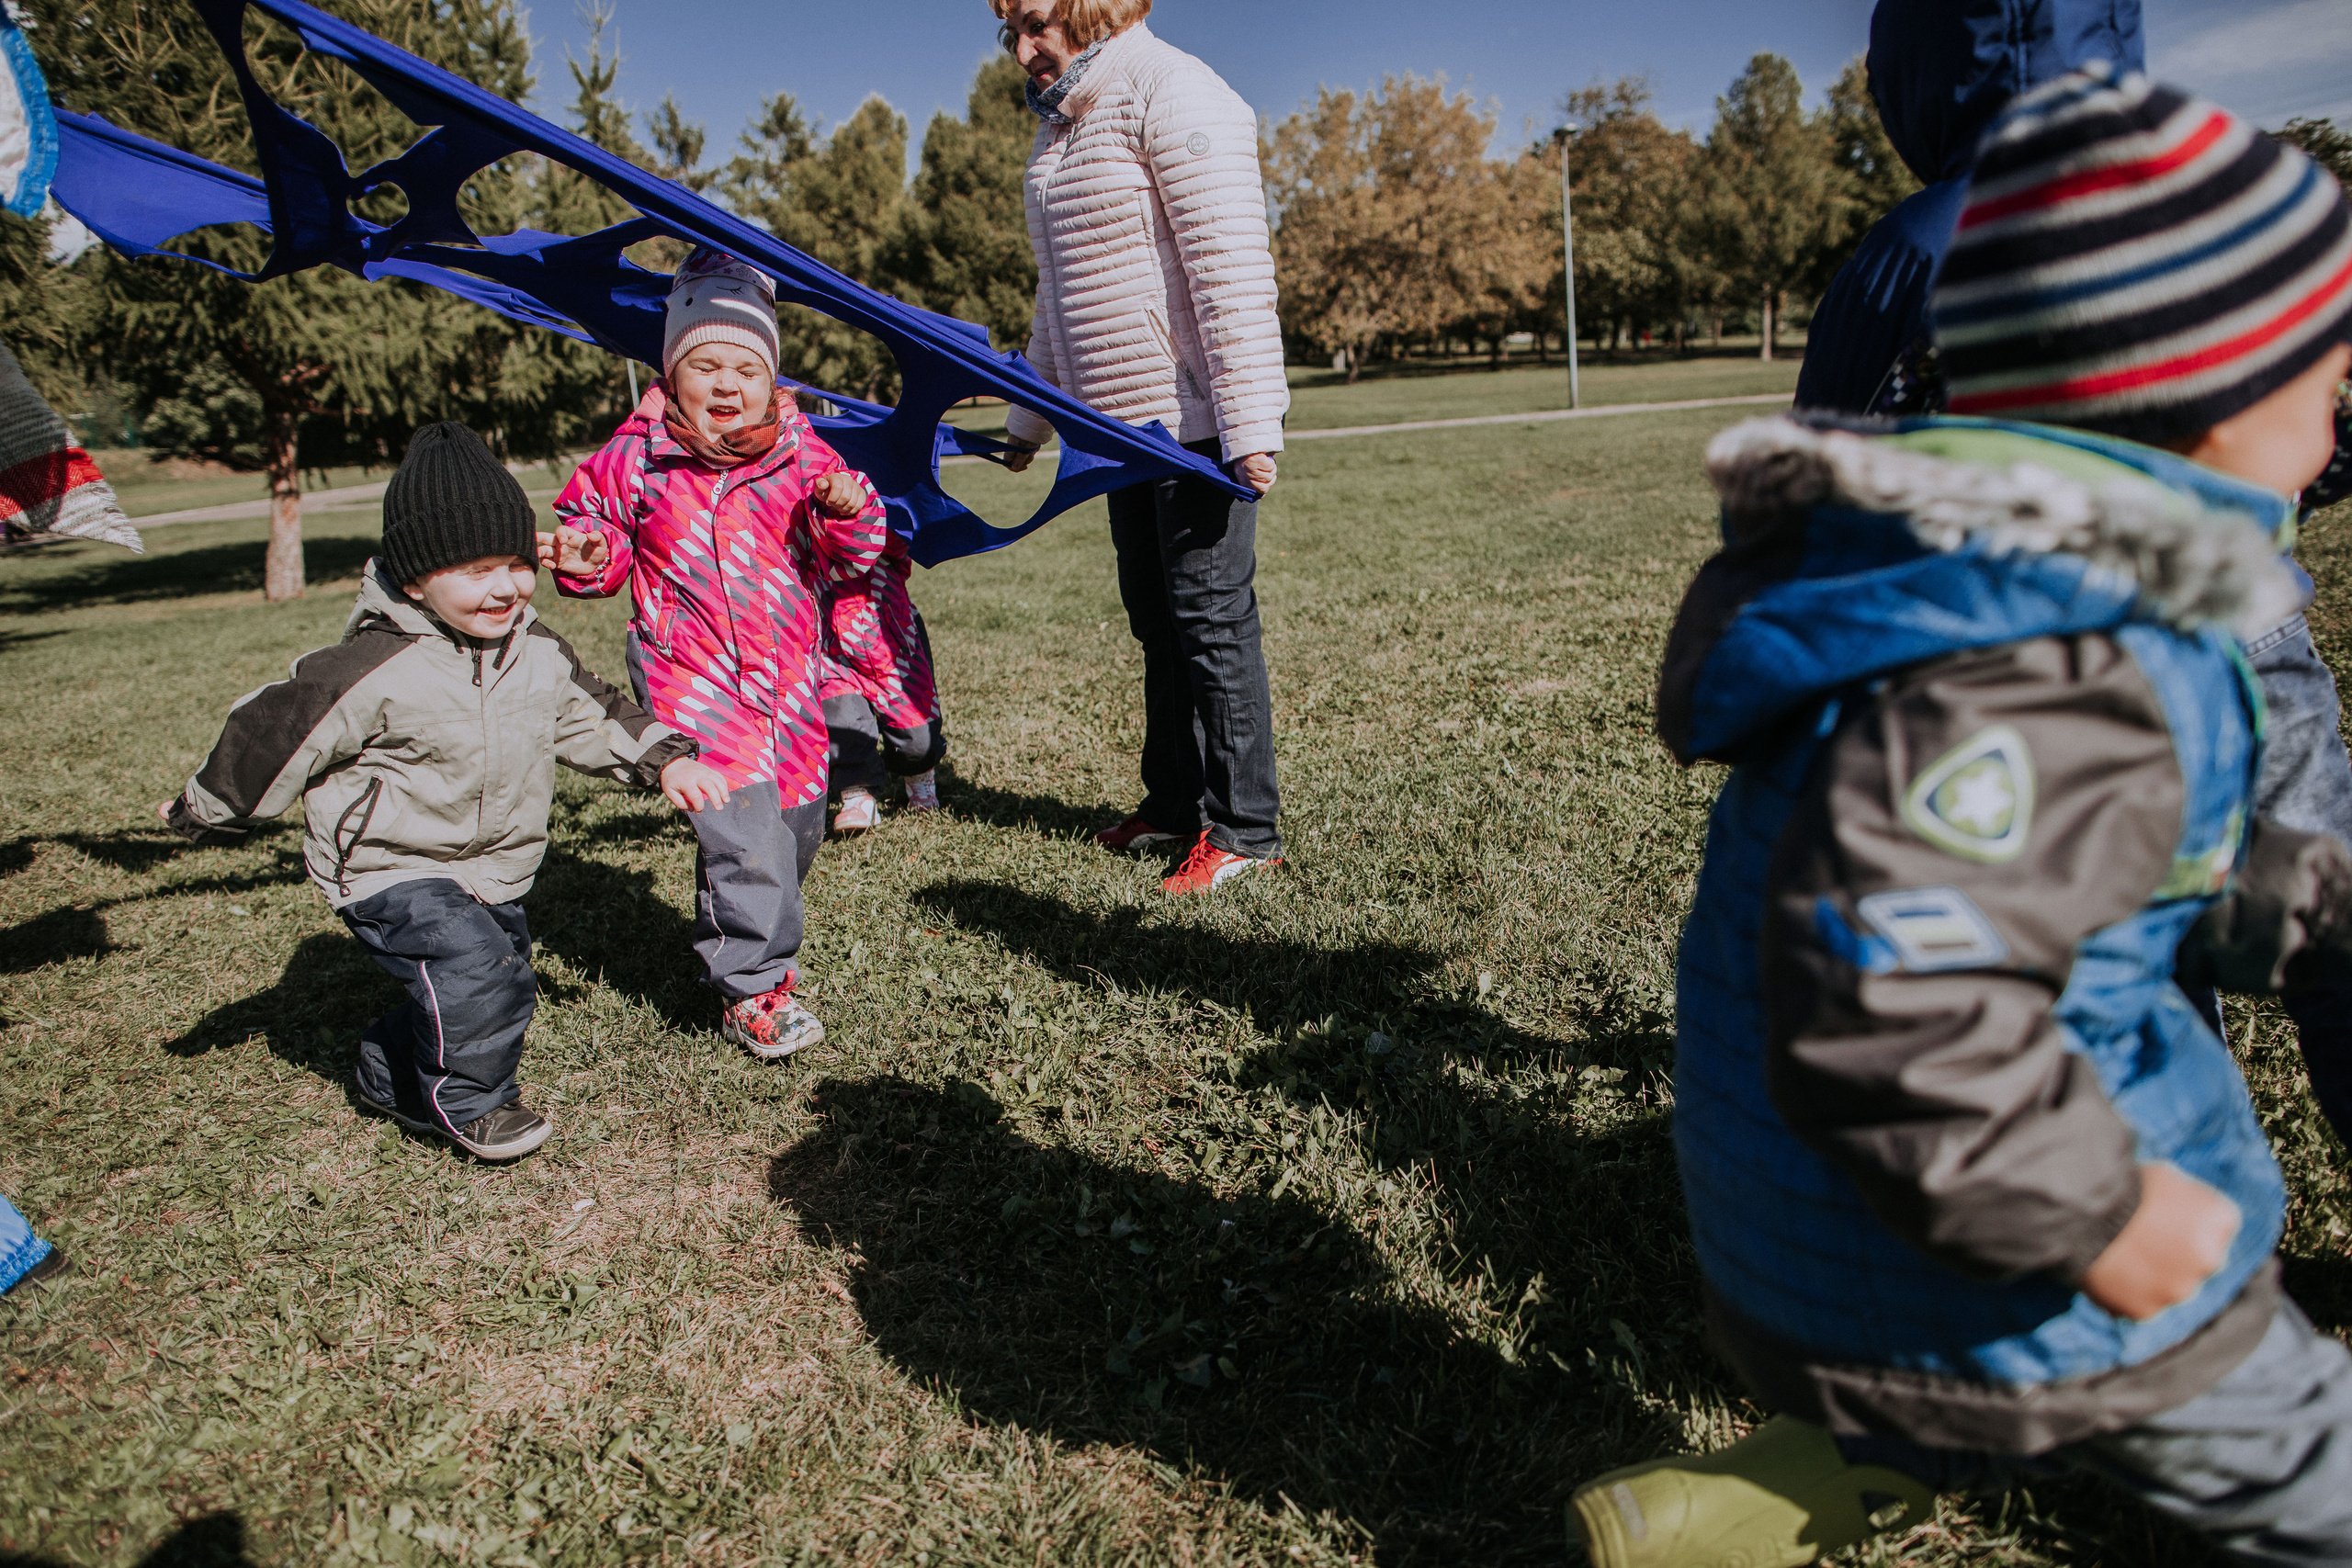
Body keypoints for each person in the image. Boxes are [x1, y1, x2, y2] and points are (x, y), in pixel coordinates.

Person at [1574, 71, 2352, 1568]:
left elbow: (2094, 869)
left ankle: (1794, 1489)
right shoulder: (2055, 666)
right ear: (2203, 398)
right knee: (2310, 1461)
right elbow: (1896, 1006)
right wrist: (2109, 1214)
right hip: (1977, 1263)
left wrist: (2300, 901)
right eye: (2323, 372)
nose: (2341, 404)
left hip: (1839, 1240)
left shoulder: (2001, 580)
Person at [1799, 0, 2352, 1151]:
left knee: (2130, 952)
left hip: (2057, 674)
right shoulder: (2202, 204)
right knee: (2328, 911)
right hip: (2247, 629)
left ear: (1917, 69)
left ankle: (2186, 1203)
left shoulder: (1924, 240)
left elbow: (1833, 479)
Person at [161, 424, 726, 1162]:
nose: (504, 587)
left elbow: (592, 712)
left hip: (493, 865)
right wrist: (203, 806)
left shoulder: (535, 650)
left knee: (492, 975)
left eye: (517, 563)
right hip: (390, 862)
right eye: (474, 568)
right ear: (418, 576)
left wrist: (664, 762)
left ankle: (385, 1067)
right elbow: (273, 731)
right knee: (476, 973)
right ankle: (466, 1105)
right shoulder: (372, 664)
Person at [542, 248, 888, 1057]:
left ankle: (739, 931)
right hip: (689, 670)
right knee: (744, 831)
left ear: (772, 381)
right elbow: (597, 529)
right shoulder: (636, 457)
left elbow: (856, 556)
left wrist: (847, 508)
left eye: (746, 367)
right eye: (705, 365)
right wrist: (589, 551)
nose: (727, 384)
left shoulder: (804, 455)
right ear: (672, 372)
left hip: (790, 680)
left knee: (794, 829)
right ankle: (754, 989)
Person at [990, 0, 1289, 894]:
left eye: (1036, 23)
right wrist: (1026, 424)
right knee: (1155, 622)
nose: (1022, 49)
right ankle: (1172, 805)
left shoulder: (1177, 92)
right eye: (1008, 31)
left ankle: (1243, 829)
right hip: (1114, 425)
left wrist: (1248, 425)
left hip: (1191, 422)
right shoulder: (1064, 131)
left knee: (1209, 623)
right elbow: (1060, 302)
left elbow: (1228, 267)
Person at [820, 530, 947, 832]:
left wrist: (859, 517)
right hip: (832, 646)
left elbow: (900, 534)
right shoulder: (810, 538)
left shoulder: (885, 532)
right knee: (842, 720)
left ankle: (919, 776)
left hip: (893, 644)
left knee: (917, 735)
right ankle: (857, 793)